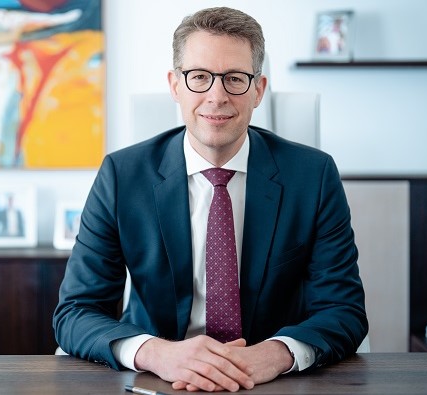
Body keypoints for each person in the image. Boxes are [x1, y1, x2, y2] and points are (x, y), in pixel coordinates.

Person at [53, 6, 367, 393]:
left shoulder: (313, 176)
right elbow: (75, 312)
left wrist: (273, 354)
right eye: (199, 77)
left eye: (234, 78)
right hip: (159, 379)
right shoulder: (122, 176)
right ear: (175, 85)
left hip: (271, 381)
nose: (216, 96)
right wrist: (156, 353)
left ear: (258, 90)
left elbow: (343, 310)